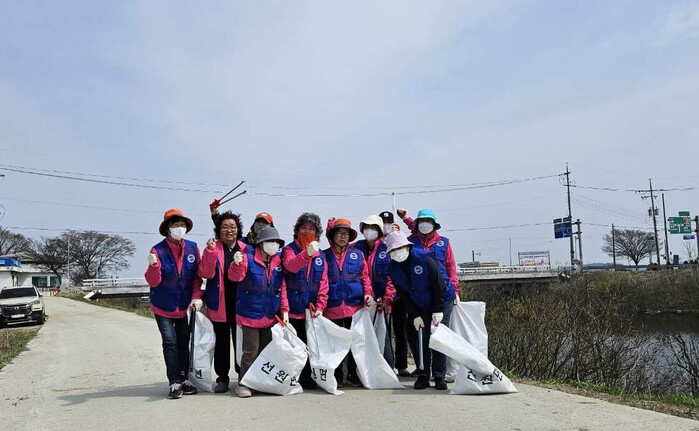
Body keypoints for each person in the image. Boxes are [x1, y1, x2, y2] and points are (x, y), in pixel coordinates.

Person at [145, 208, 203, 399]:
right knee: (170, 342)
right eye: (175, 224)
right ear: (167, 228)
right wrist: (154, 266)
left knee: (184, 341)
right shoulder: (157, 250)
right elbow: (153, 281)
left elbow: (196, 277)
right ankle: (174, 382)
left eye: (182, 224)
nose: (179, 227)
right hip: (163, 305)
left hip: (184, 306)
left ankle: (184, 378)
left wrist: (196, 296)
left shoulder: (193, 248)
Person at [384, 230, 453, 390]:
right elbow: (403, 294)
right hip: (418, 304)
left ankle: (439, 375)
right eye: (393, 250)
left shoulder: (424, 259)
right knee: (420, 338)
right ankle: (423, 375)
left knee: (438, 339)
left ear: (407, 246)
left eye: (399, 248)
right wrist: (414, 314)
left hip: (440, 300)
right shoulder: (393, 268)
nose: (397, 252)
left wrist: (438, 309)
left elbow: (439, 285)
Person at [227, 226, 287, 398]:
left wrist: (284, 310)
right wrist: (236, 264)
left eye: (276, 242)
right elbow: (235, 277)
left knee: (265, 352)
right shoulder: (248, 258)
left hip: (270, 315)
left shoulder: (278, 262)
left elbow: (282, 288)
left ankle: (260, 381)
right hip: (250, 314)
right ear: (260, 243)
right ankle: (244, 383)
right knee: (250, 351)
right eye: (269, 241)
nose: (273, 244)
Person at [198, 211, 247, 393]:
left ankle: (243, 376)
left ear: (238, 229)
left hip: (241, 303)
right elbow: (205, 273)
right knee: (221, 342)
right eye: (224, 227)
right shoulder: (212, 248)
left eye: (233, 227)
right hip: (219, 302)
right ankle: (222, 378)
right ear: (218, 230)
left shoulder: (246, 249)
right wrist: (210, 252)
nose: (229, 230)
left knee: (241, 342)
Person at [323, 218, 375, 387]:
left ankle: (353, 373)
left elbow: (365, 277)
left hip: (354, 307)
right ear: (333, 236)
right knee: (335, 345)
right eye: (339, 233)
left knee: (354, 343)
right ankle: (337, 375)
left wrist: (368, 294)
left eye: (346, 234)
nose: (343, 237)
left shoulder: (357, 254)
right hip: (332, 307)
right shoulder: (324, 255)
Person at [281, 212, 328, 389]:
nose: (307, 231)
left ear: (317, 233)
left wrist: (321, 306)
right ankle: (293, 377)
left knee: (310, 346)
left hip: (312, 311)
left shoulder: (320, 254)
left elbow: (323, 283)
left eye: (311, 228)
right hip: (293, 309)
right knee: (295, 346)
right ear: (297, 230)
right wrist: (306, 254)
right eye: (304, 227)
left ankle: (307, 378)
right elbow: (290, 266)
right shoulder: (289, 249)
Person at [353, 214, 396, 367]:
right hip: (362, 300)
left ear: (379, 230)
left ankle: (388, 368)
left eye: (373, 227)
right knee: (363, 336)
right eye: (367, 227)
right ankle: (367, 367)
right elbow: (338, 245)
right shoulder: (356, 247)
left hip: (381, 301)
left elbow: (392, 276)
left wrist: (387, 298)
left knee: (383, 333)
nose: (369, 230)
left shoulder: (387, 247)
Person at [397, 208, 459, 304]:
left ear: (434, 224)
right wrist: (405, 218)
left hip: (443, 292)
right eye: (422, 221)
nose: (425, 224)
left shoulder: (444, 242)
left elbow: (451, 267)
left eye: (428, 221)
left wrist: (455, 291)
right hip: (418, 293)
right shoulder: (410, 242)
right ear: (417, 224)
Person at [379, 210, 411, 376]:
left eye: (389, 223)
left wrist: (405, 221)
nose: (386, 226)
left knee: (400, 331)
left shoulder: (399, 239)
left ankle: (402, 365)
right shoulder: (376, 244)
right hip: (382, 296)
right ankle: (386, 364)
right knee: (384, 331)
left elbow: (416, 235)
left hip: (399, 295)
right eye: (383, 223)